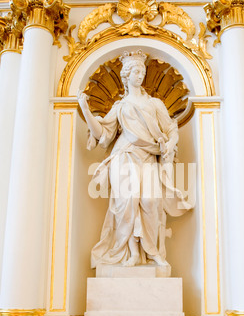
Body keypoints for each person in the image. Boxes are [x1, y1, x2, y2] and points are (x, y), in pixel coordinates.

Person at [78, 50, 193, 269]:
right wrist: (85, 109)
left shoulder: (155, 104)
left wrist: (169, 144)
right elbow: (103, 135)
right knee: (127, 203)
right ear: (127, 75)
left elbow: (171, 129)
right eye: (135, 71)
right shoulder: (119, 107)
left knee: (151, 202)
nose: (140, 74)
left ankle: (153, 252)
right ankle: (130, 252)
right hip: (124, 156)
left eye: (142, 70)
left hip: (149, 156)